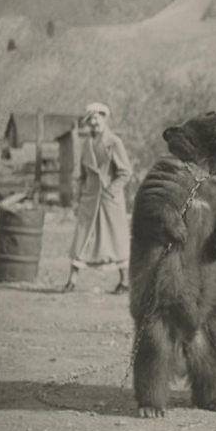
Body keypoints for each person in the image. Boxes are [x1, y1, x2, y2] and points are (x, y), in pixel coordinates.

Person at [63, 102, 132, 294]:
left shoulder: (114, 142)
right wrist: (80, 196)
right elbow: (82, 173)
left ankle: (124, 282)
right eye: (90, 119)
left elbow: (125, 172)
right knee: (82, 237)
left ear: (104, 119)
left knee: (116, 239)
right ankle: (71, 281)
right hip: (90, 198)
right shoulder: (86, 144)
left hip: (110, 199)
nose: (93, 123)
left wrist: (111, 190)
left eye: (96, 118)